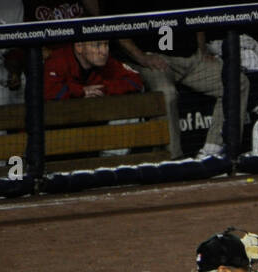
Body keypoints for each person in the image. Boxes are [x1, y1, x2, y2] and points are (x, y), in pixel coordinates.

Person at [107, 0, 249, 158]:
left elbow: (197, 14)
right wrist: (141, 58)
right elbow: (116, 27)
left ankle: (213, 149)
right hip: (156, 60)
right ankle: (173, 159)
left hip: (191, 60)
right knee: (166, 94)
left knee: (237, 82)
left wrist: (202, 50)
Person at [44, 40, 144, 99]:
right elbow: (46, 92)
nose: (104, 52)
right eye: (97, 45)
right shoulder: (59, 60)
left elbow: (136, 81)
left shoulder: (107, 62)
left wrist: (103, 89)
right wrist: (81, 91)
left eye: (106, 45)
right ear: (79, 46)